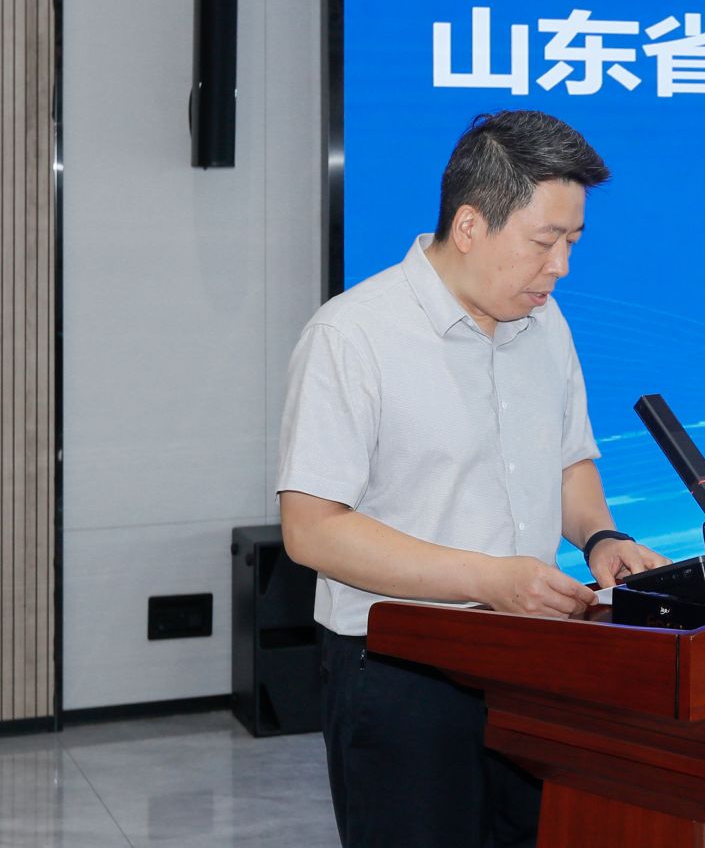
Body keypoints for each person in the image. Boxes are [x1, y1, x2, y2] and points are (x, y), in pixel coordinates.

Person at [277, 110, 669, 848]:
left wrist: (599, 536)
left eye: (573, 242)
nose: (561, 267)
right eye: (544, 243)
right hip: (403, 670)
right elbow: (311, 529)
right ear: (468, 225)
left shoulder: (545, 324)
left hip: (533, 660)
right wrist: (487, 579)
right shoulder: (352, 335)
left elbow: (568, 461)